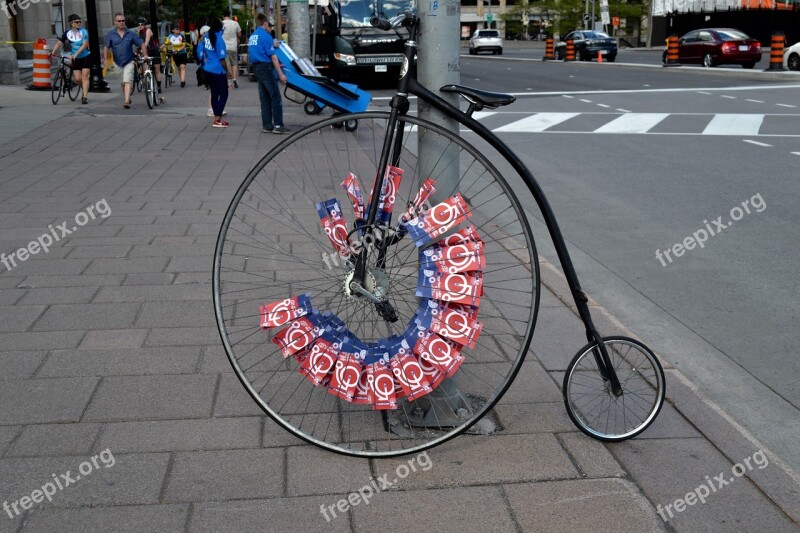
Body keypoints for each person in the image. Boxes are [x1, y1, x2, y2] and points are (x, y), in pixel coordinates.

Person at [248, 14, 289, 134]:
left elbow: (260, 47)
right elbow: (274, 57)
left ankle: (267, 125)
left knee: (264, 97)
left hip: (256, 68)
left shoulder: (253, 36)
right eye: (268, 25)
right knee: (275, 96)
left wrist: (272, 44)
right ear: (265, 23)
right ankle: (278, 125)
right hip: (265, 67)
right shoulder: (266, 36)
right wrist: (281, 74)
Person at [103, 13, 148, 109]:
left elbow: (141, 44)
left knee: (127, 80)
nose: (121, 22)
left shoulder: (131, 34)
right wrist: (105, 59)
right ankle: (127, 97)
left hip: (129, 61)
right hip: (117, 62)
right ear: (115, 22)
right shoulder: (110, 35)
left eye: (123, 20)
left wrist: (145, 55)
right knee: (122, 82)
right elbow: (106, 47)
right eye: (119, 21)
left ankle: (126, 100)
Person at [50, 13, 91, 104]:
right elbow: (59, 43)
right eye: (77, 22)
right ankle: (84, 88)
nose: (79, 23)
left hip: (85, 56)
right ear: (71, 23)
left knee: (84, 76)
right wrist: (52, 52)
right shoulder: (67, 33)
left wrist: (76, 54)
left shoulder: (83, 32)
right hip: (75, 58)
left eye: (80, 21)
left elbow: (85, 45)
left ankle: (85, 96)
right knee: (77, 78)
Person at [200, 18, 232, 127]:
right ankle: (218, 119)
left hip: (208, 68)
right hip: (218, 70)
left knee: (214, 93)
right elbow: (222, 58)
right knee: (224, 93)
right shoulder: (218, 39)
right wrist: (228, 71)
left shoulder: (207, 36)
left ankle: (216, 118)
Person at [138, 17, 162, 94]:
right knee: (145, 68)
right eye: (139, 24)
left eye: (142, 24)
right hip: (146, 52)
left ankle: (159, 86)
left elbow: (146, 42)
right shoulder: (139, 32)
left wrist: (143, 49)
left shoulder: (148, 30)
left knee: (156, 68)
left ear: (145, 25)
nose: (140, 26)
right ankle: (148, 85)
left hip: (153, 51)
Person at [222, 14, 242, 88]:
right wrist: (237, 37)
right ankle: (234, 79)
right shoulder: (235, 23)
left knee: (227, 64)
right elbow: (239, 34)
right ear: (229, 16)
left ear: (222, 16)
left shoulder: (221, 23)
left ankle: (228, 81)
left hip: (224, 47)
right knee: (234, 63)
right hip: (233, 46)